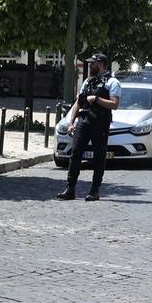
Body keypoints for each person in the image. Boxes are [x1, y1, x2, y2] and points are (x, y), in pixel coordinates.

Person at [58, 53, 120, 202]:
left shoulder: (112, 82)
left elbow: (115, 104)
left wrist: (97, 99)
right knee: (76, 153)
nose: (91, 65)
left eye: (93, 63)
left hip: (100, 122)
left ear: (101, 64)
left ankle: (94, 191)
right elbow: (78, 103)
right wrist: (71, 122)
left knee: (99, 156)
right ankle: (70, 189)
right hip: (84, 120)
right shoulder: (87, 81)